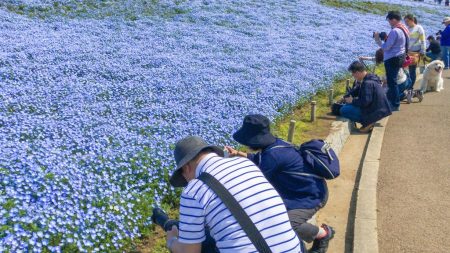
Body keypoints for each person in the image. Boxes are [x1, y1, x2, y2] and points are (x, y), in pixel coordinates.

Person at [159, 136, 302, 253]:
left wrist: (171, 241)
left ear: (186, 168)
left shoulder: (193, 190)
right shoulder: (246, 164)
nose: (186, 181)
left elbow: (190, 252)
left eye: (183, 177)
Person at [225, 114, 335, 253]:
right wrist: (239, 153)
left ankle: (323, 234)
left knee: (287, 225)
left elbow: (255, 181)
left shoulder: (272, 157)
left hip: (311, 196)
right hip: (301, 191)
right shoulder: (276, 145)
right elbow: (260, 159)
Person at [339, 61, 392, 132]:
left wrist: (352, 101)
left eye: (353, 73)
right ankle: (369, 121)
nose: (353, 76)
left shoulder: (367, 83)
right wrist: (345, 97)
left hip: (375, 111)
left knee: (343, 110)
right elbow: (357, 90)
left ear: (357, 72)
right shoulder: (369, 77)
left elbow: (365, 102)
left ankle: (368, 122)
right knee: (348, 105)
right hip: (379, 108)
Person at [374, 11, 408, 111]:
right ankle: (394, 102)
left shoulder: (395, 31)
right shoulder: (403, 28)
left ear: (393, 19)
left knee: (392, 82)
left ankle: (395, 104)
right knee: (393, 81)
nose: (388, 22)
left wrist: (377, 40)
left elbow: (386, 47)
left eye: (388, 20)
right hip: (400, 56)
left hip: (392, 58)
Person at [404, 14, 426, 89]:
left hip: (415, 52)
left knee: (412, 70)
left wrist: (423, 51)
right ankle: (408, 85)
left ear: (412, 20)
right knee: (406, 69)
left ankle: (410, 87)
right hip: (407, 52)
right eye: (405, 21)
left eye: (407, 21)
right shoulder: (407, 28)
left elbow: (423, 40)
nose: (406, 23)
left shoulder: (419, 28)